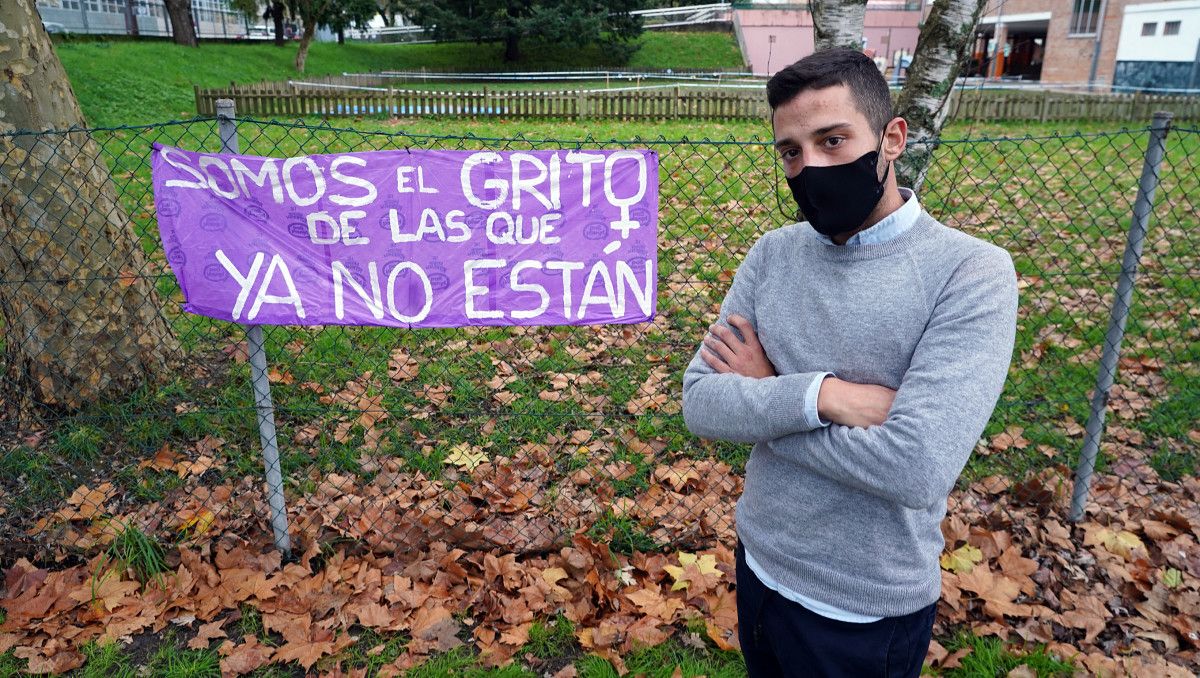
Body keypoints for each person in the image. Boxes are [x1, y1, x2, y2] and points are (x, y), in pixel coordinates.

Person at [681, 48, 1018, 677]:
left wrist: (769, 400)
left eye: (833, 140)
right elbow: (701, 402)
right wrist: (822, 396)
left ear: (891, 139)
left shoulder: (969, 273)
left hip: (864, 608)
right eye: (791, 151)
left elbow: (916, 468)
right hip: (760, 563)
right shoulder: (774, 254)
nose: (810, 167)